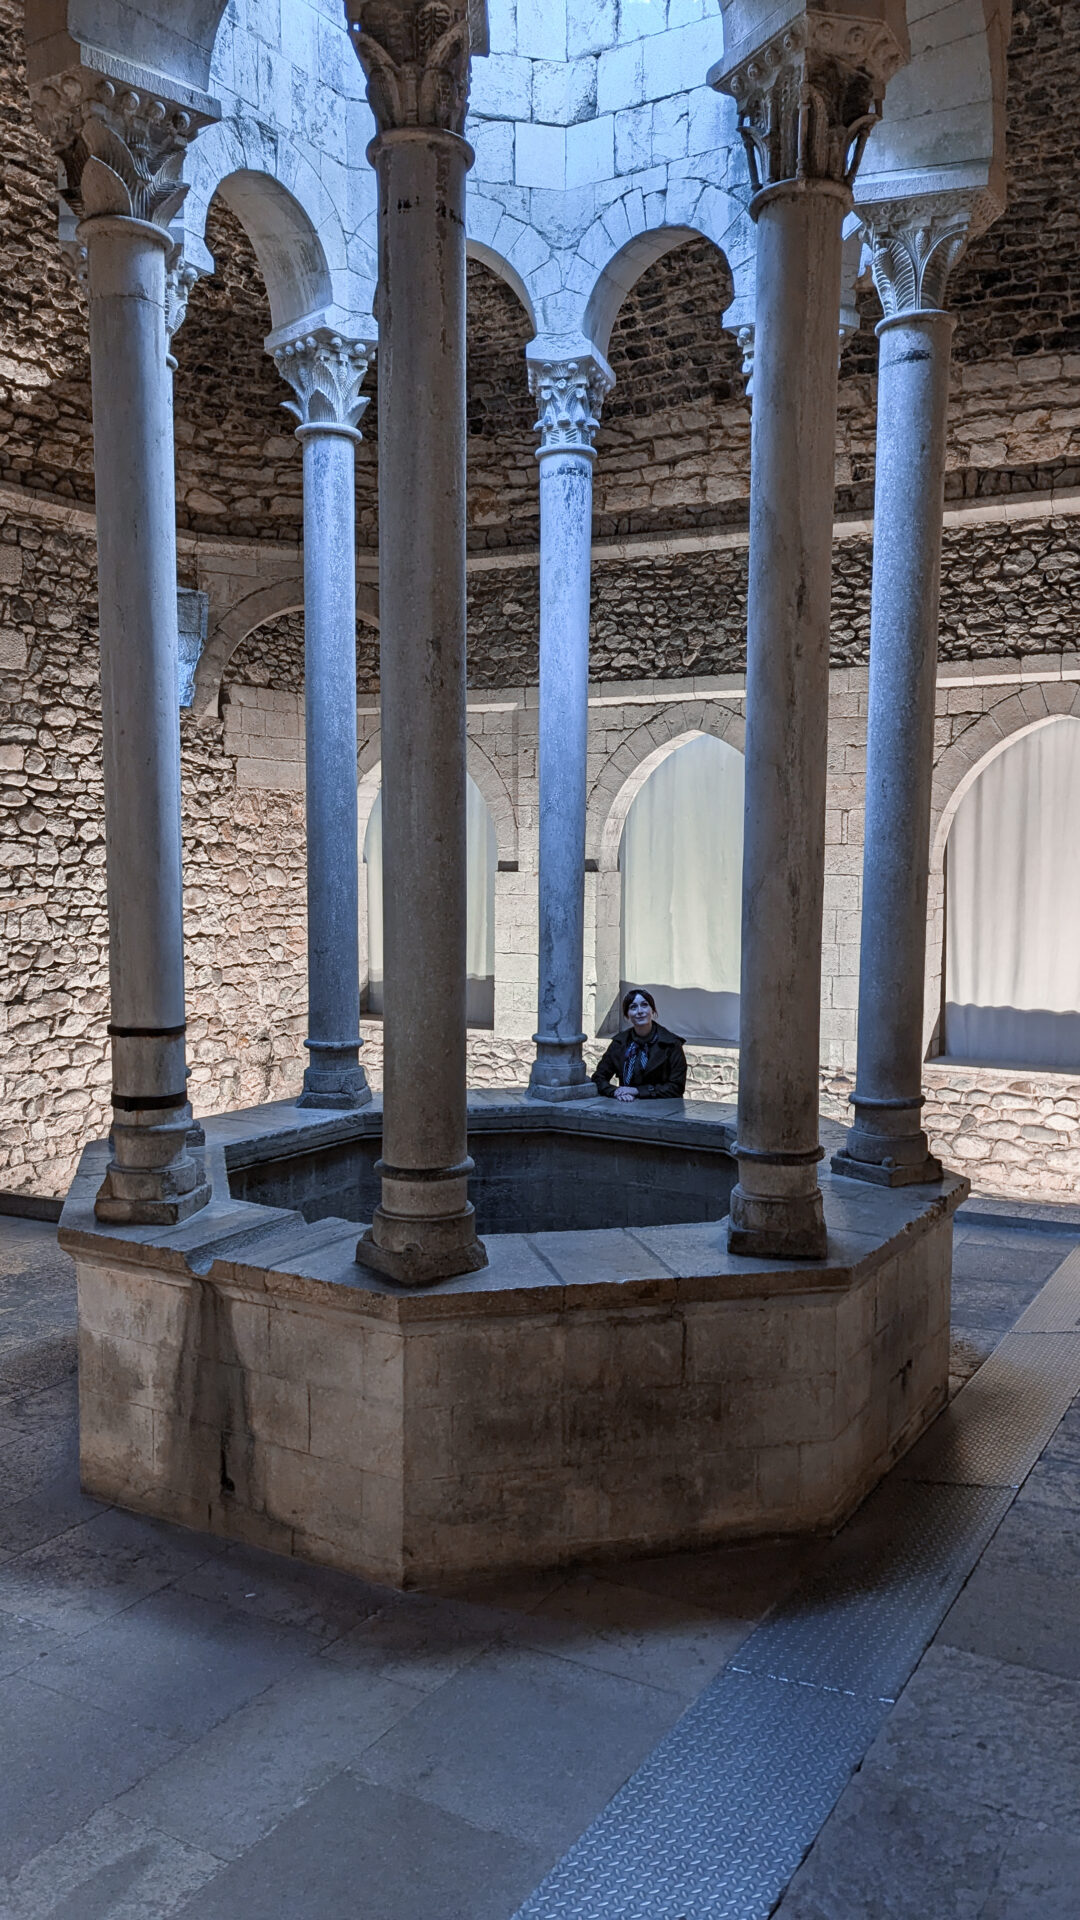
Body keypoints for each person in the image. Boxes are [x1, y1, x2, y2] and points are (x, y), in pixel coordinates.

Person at [591, 989, 687, 1102]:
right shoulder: (620, 1043)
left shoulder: (671, 1044)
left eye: (644, 1005)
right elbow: (598, 1078)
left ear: (653, 1010)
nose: (639, 1011)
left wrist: (637, 1091)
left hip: (662, 1108)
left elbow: (676, 1087)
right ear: (627, 1015)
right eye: (633, 1007)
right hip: (627, 1104)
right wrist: (615, 1092)